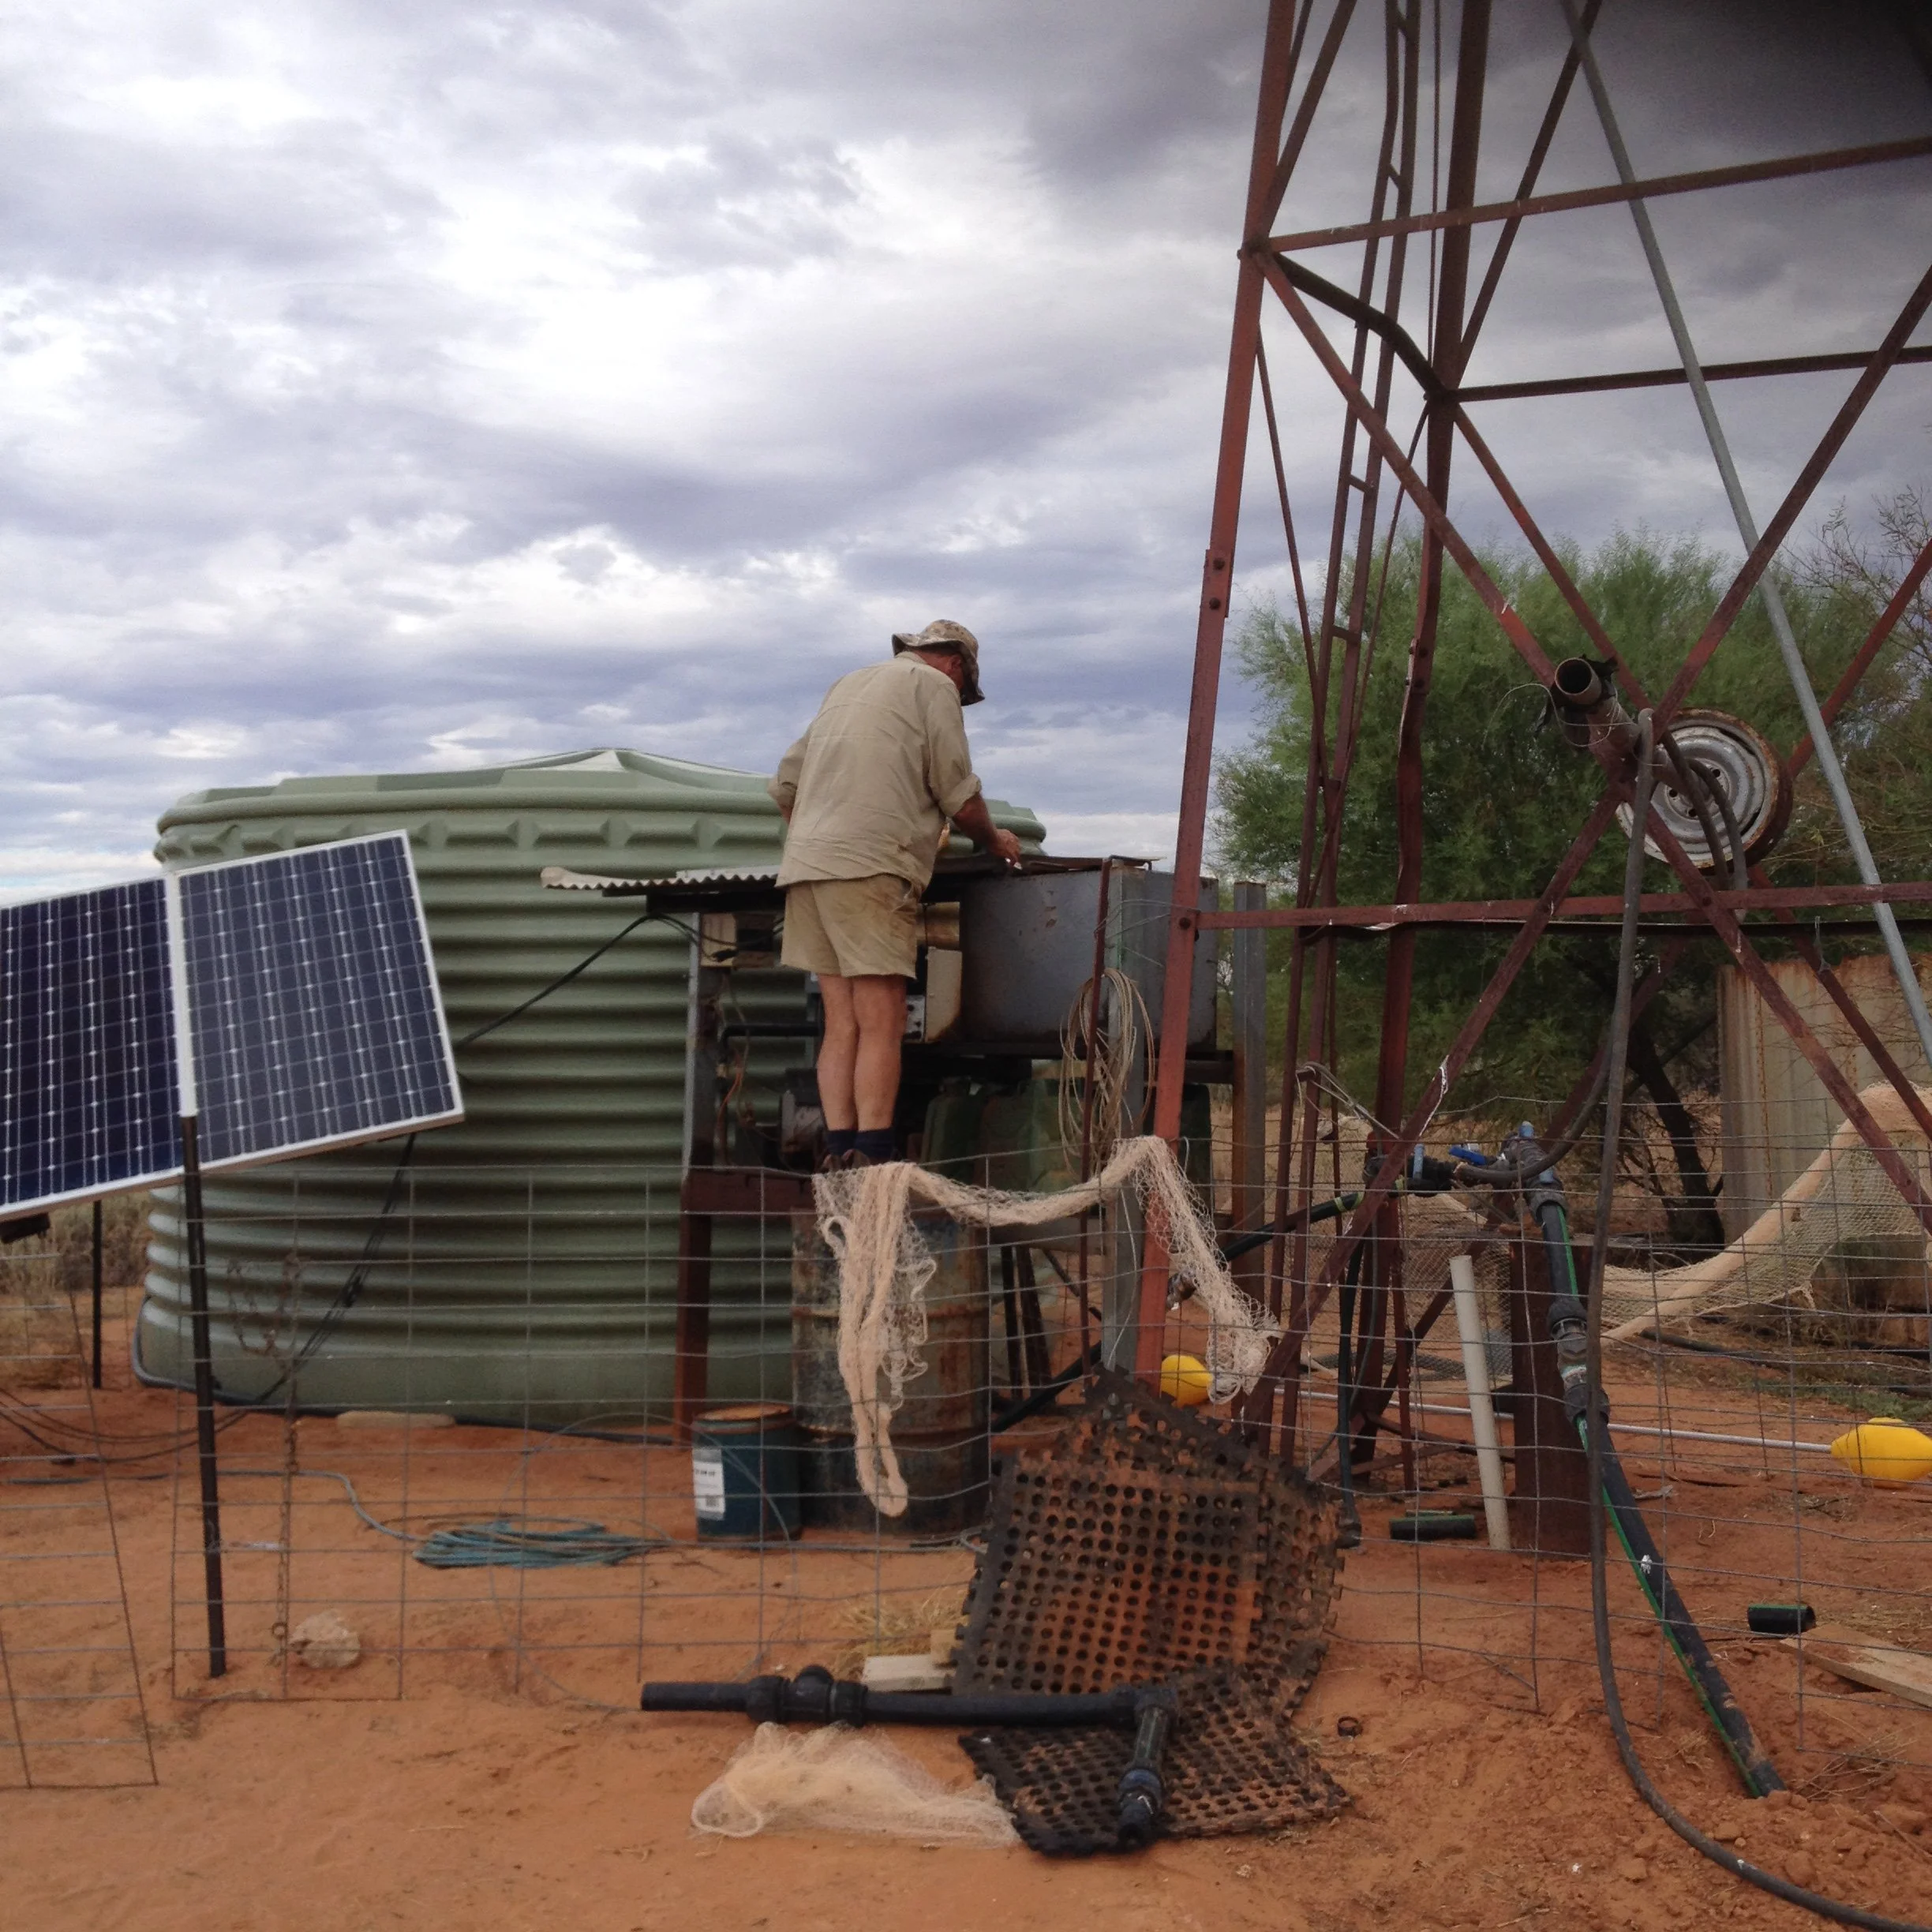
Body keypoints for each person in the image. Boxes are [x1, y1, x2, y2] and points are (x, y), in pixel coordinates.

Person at [769, 620, 1023, 1167]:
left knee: (842, 1022)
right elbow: (957, 790)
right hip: (871, 866)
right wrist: (994, 838)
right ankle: (876, 1154)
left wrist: (819, 839)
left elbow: (785, 786)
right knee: (882, 1016)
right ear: (955, 665)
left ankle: (841, 1150)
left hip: (808, 867)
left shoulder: (849, 684)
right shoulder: (933, 688)